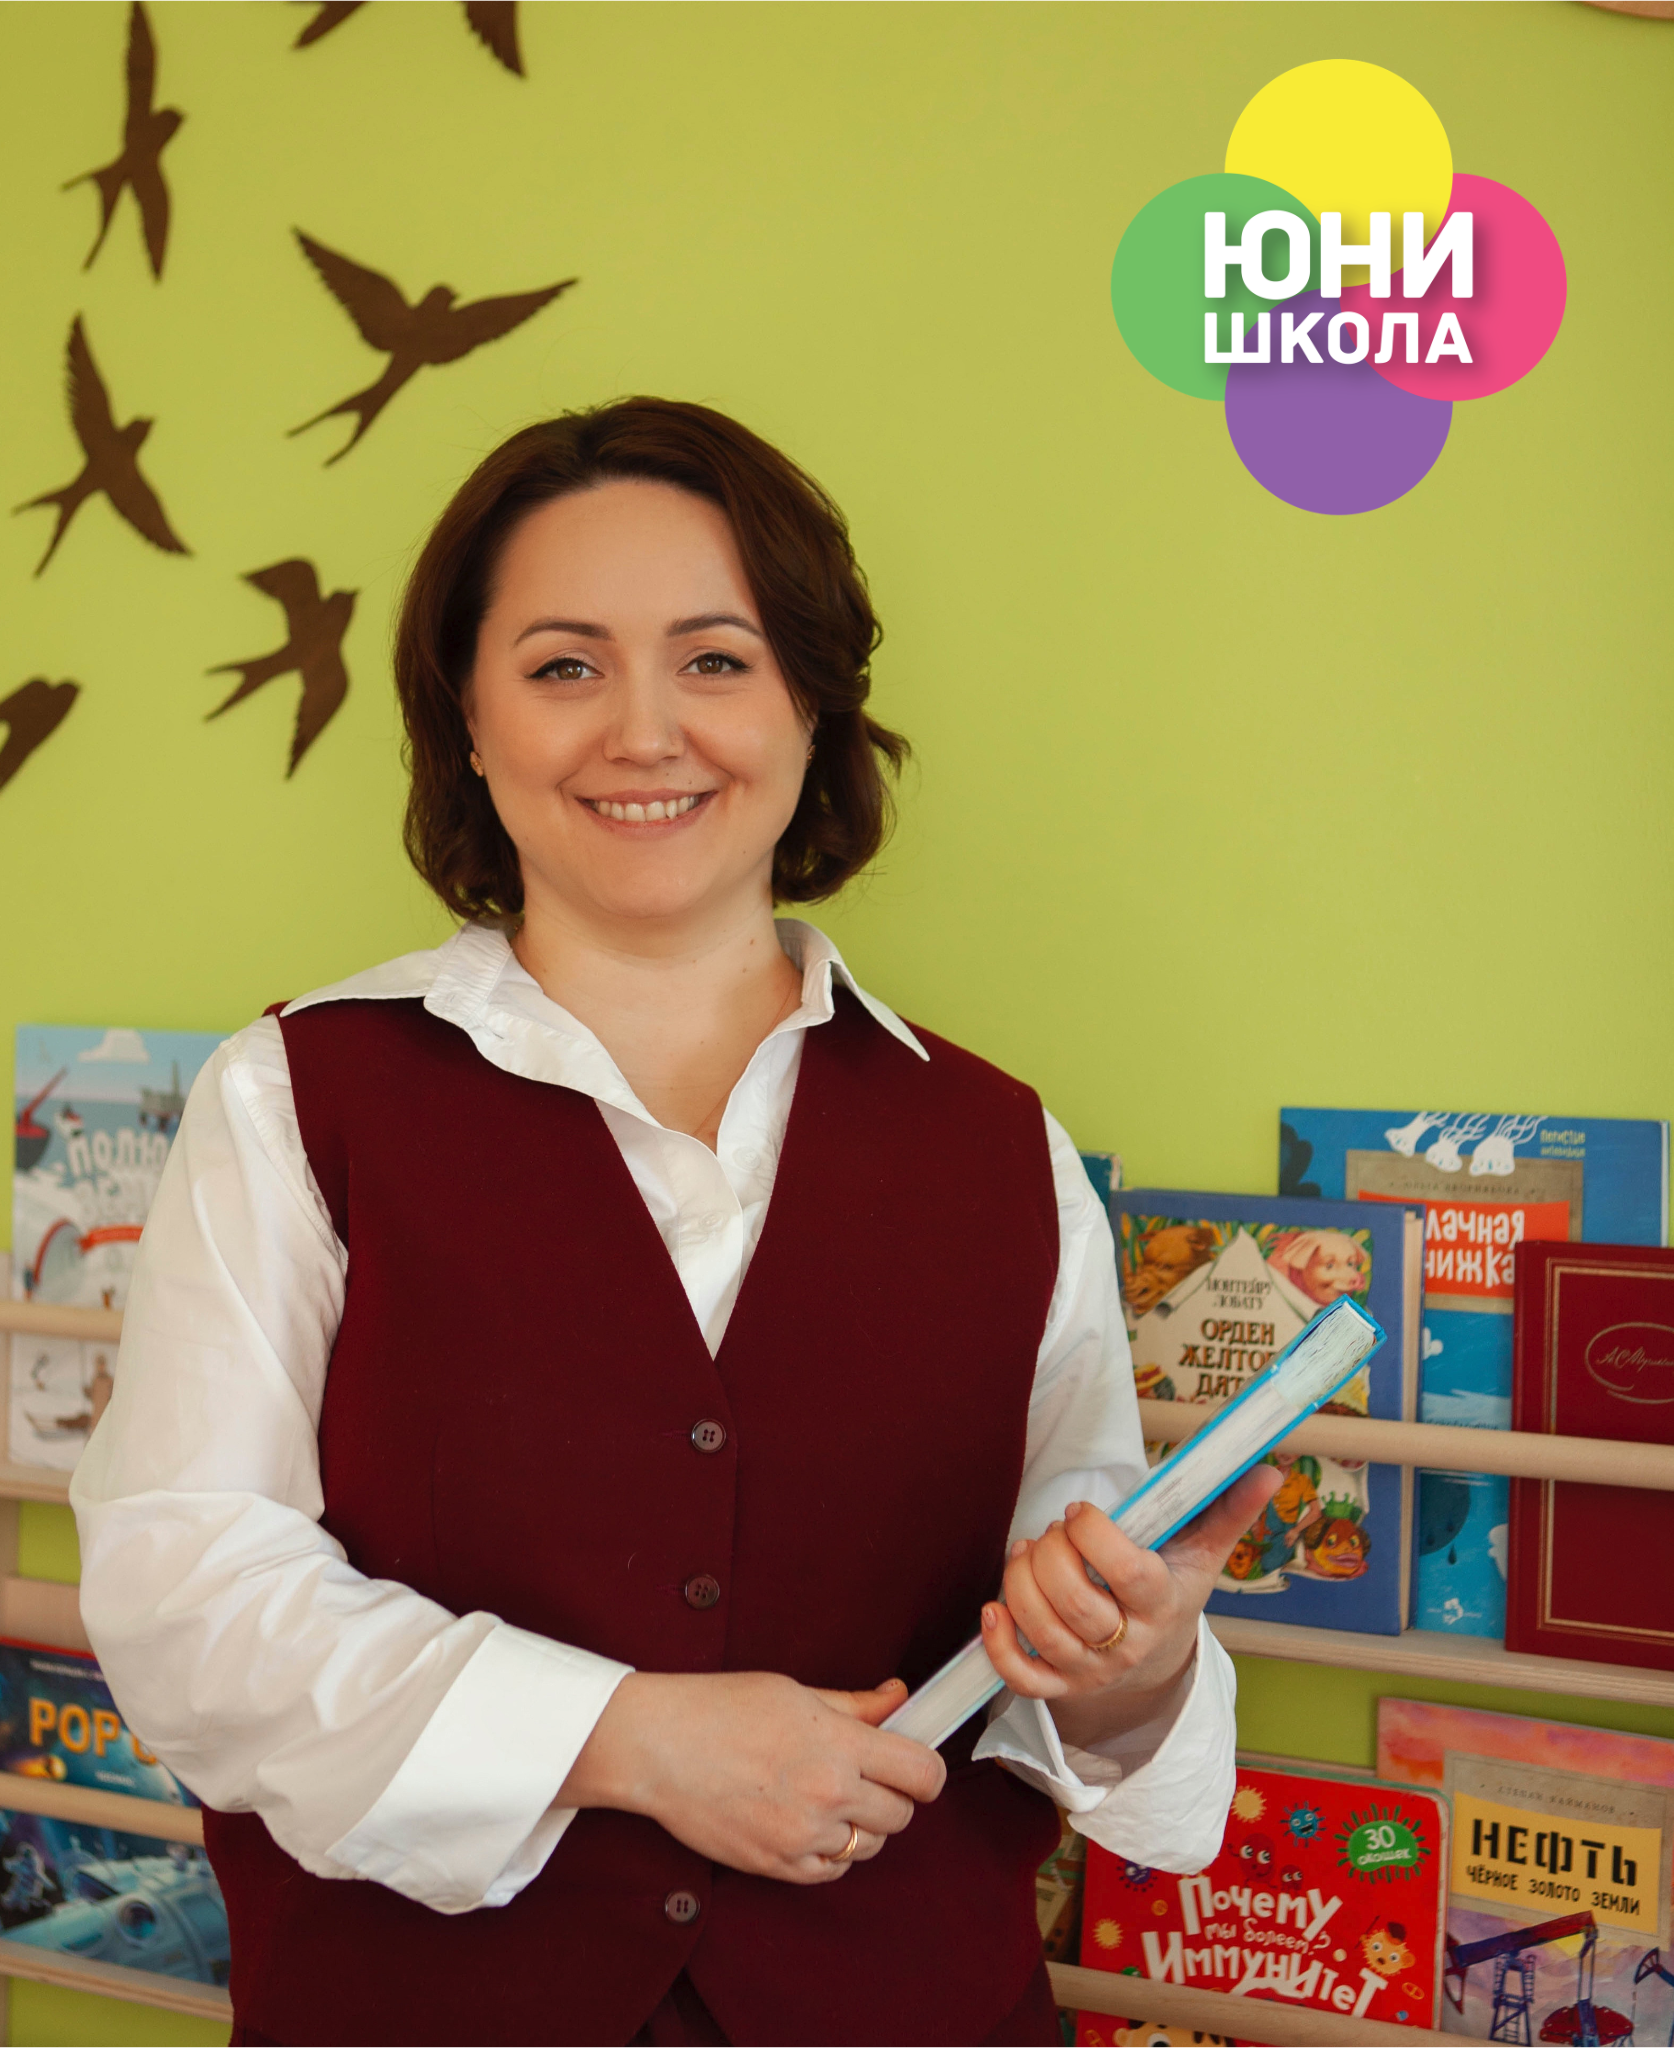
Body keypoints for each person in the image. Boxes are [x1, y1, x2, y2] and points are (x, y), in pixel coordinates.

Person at [73, 398, 1279, 2046]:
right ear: (469, 719)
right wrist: (628, 1739)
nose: (644, 732)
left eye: (715, 660)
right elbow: (189, 1593)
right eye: (563, 666)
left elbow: (1071, 1663)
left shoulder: (1001, 1147)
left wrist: (1130, 1664)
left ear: (809, 709)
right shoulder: (294, 1096)